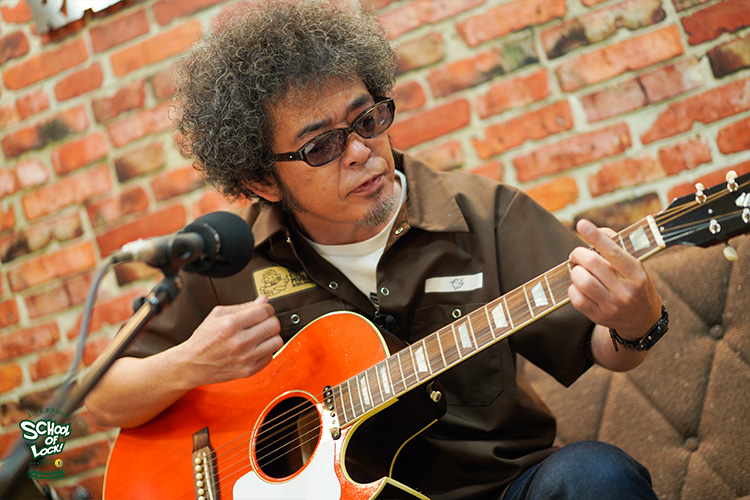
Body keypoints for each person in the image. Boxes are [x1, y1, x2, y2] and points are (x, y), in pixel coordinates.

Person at [85, 1, 666, 499]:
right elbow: (100, 401)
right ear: (263, 180)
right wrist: (191, 363)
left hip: (503, 486)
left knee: (595, 475)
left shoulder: (484, 213)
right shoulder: (225, 261)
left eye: (368, 120)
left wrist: (636, 320)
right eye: (321, 147)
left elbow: (603, 345)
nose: (361, 151)